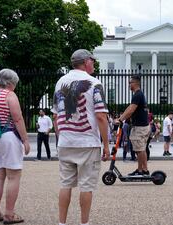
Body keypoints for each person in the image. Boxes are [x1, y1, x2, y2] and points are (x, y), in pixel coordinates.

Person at [52, 49, 110, 225]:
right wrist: (106, 144)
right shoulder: (94, 83)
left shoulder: (60, 82)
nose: (93, 63)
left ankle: (62, 223)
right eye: (92, 60)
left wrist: (60, 137)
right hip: (87, 141)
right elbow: (101, 116)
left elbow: (56, 115)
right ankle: (84, 223)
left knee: (66, 184)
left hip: (66, 140)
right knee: (86, 186)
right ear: (86, 62)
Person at [0, 69, 30, 224]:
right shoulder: (10, 95)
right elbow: (17, 119)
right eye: (14, 84)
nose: (15, 87)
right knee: (13, 176)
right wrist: (25, 140)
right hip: (7, 136)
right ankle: (9, 214)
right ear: (10, 83)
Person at [118, 75, 151, 176]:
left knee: (140, 149)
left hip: (140, 127)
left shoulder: (137, 94)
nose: (129, 85)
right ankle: (141, 169)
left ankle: (143, 170)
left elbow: (131, 110)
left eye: (130, 83)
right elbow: (130, 107)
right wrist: (122, 117)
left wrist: (121, 119)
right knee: (140, 149)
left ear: (135, 83)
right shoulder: (138, 94)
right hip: (141, 126)